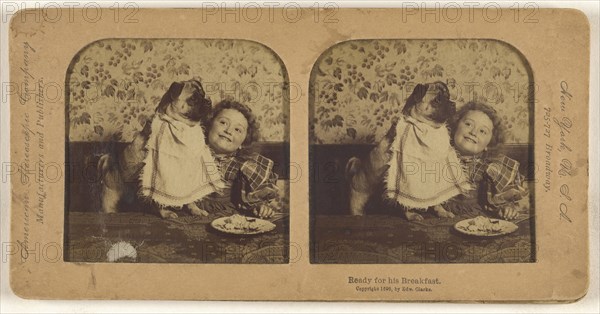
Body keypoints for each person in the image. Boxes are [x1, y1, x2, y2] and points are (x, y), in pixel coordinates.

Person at [196, 100, 280, 219]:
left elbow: (254, 197)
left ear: (243, 142)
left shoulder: (243, 165)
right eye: (223, 122)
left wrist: (260, 207)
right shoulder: (191, 154)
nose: (228, 131)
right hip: (189, 211)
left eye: (237, 130)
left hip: (227, 217)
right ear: (209, 125)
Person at [445, 101, 529, 220]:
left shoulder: (490, 167)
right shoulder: (436, 157)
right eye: (468, 124)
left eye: (482, 131)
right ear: (455, 126)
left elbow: (499, 200)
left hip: (476, 221)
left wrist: (506, 209)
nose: (473, 132)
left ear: (489, 144)